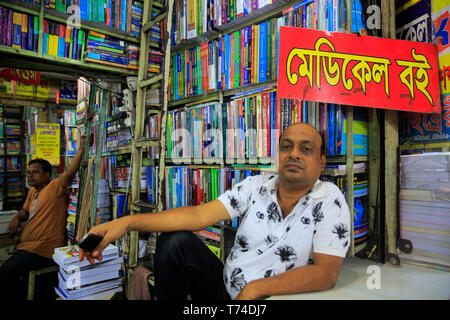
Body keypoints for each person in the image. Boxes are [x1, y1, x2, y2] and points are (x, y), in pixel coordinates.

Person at [80, 123, 350, 300]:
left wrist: (256, 289)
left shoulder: (329, 200)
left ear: (321, 161)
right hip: (223, 289)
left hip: (267, 297)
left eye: (306, 149)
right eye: (286, 147)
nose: (294, 154)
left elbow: (325, 273)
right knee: (174, 242)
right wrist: (127, 223)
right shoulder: (257, 186)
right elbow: (198, 215)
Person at [0, 134, 92, 299]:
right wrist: (17, 218)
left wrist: (81, 148)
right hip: (28, 247)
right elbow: (25, 211)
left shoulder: (55, 187)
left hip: (43, 250)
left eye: (35, 173)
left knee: (4, 274)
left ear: (47, 175)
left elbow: (71, 171)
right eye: (28, 173)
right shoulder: (33, 192)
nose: (30, 176)